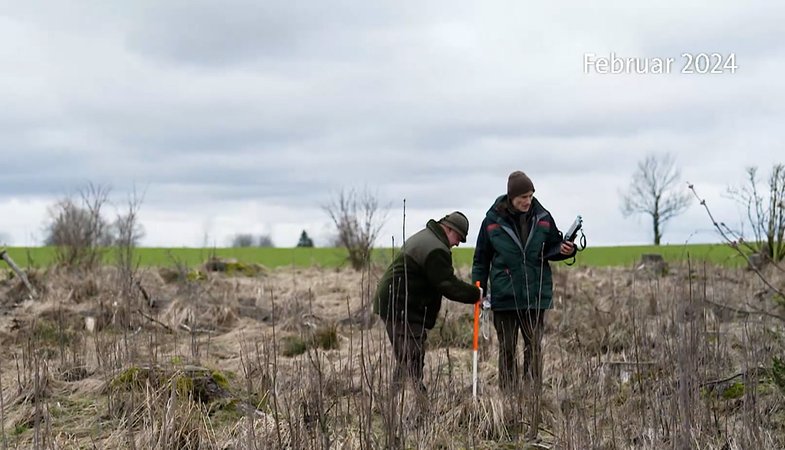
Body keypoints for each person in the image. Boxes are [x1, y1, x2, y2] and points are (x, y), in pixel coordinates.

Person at [472, 171, 575, 393]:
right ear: (511, 197)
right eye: (523, 197)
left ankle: (533, 396)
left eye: (530, 196)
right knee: (507, 350)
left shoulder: (543, 217)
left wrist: (565, 250)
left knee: (534, 348)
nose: (527, 201)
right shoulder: (491, 222)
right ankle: (508, 396)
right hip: (504, 297)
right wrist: (477, 290)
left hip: (535, 296)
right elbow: (480, 260)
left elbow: (552, 248)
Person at [374, 211, 482, 394]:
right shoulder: (436, 249)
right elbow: (447, 284)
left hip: (399, 303)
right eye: (458, 238)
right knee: (412, 355)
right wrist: (475, 294)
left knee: (406, 356)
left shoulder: (428, 238)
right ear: (448, 229)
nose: (457, 243)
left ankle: (397, 399)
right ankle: (416, 399)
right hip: (401, 305)